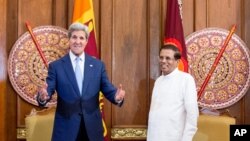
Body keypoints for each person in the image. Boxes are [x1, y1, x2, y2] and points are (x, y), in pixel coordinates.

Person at [37, 22, 125, 141]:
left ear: (86, 41)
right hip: (66, 129)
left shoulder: (98, 65)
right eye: (74, 37)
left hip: (92, 128)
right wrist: (43, 96)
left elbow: (107, 88)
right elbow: (48, 89)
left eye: (81, 38)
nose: (77, 41)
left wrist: (117, 96)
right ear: (69, 39)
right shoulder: (56, 66)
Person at [147, 44, 199, 141]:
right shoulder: (158, 81)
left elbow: (192, 114)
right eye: (161, 57)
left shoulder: (186, 79)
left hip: (175, 137)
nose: (163, 61)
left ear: (177, 61)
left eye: (168, 58)